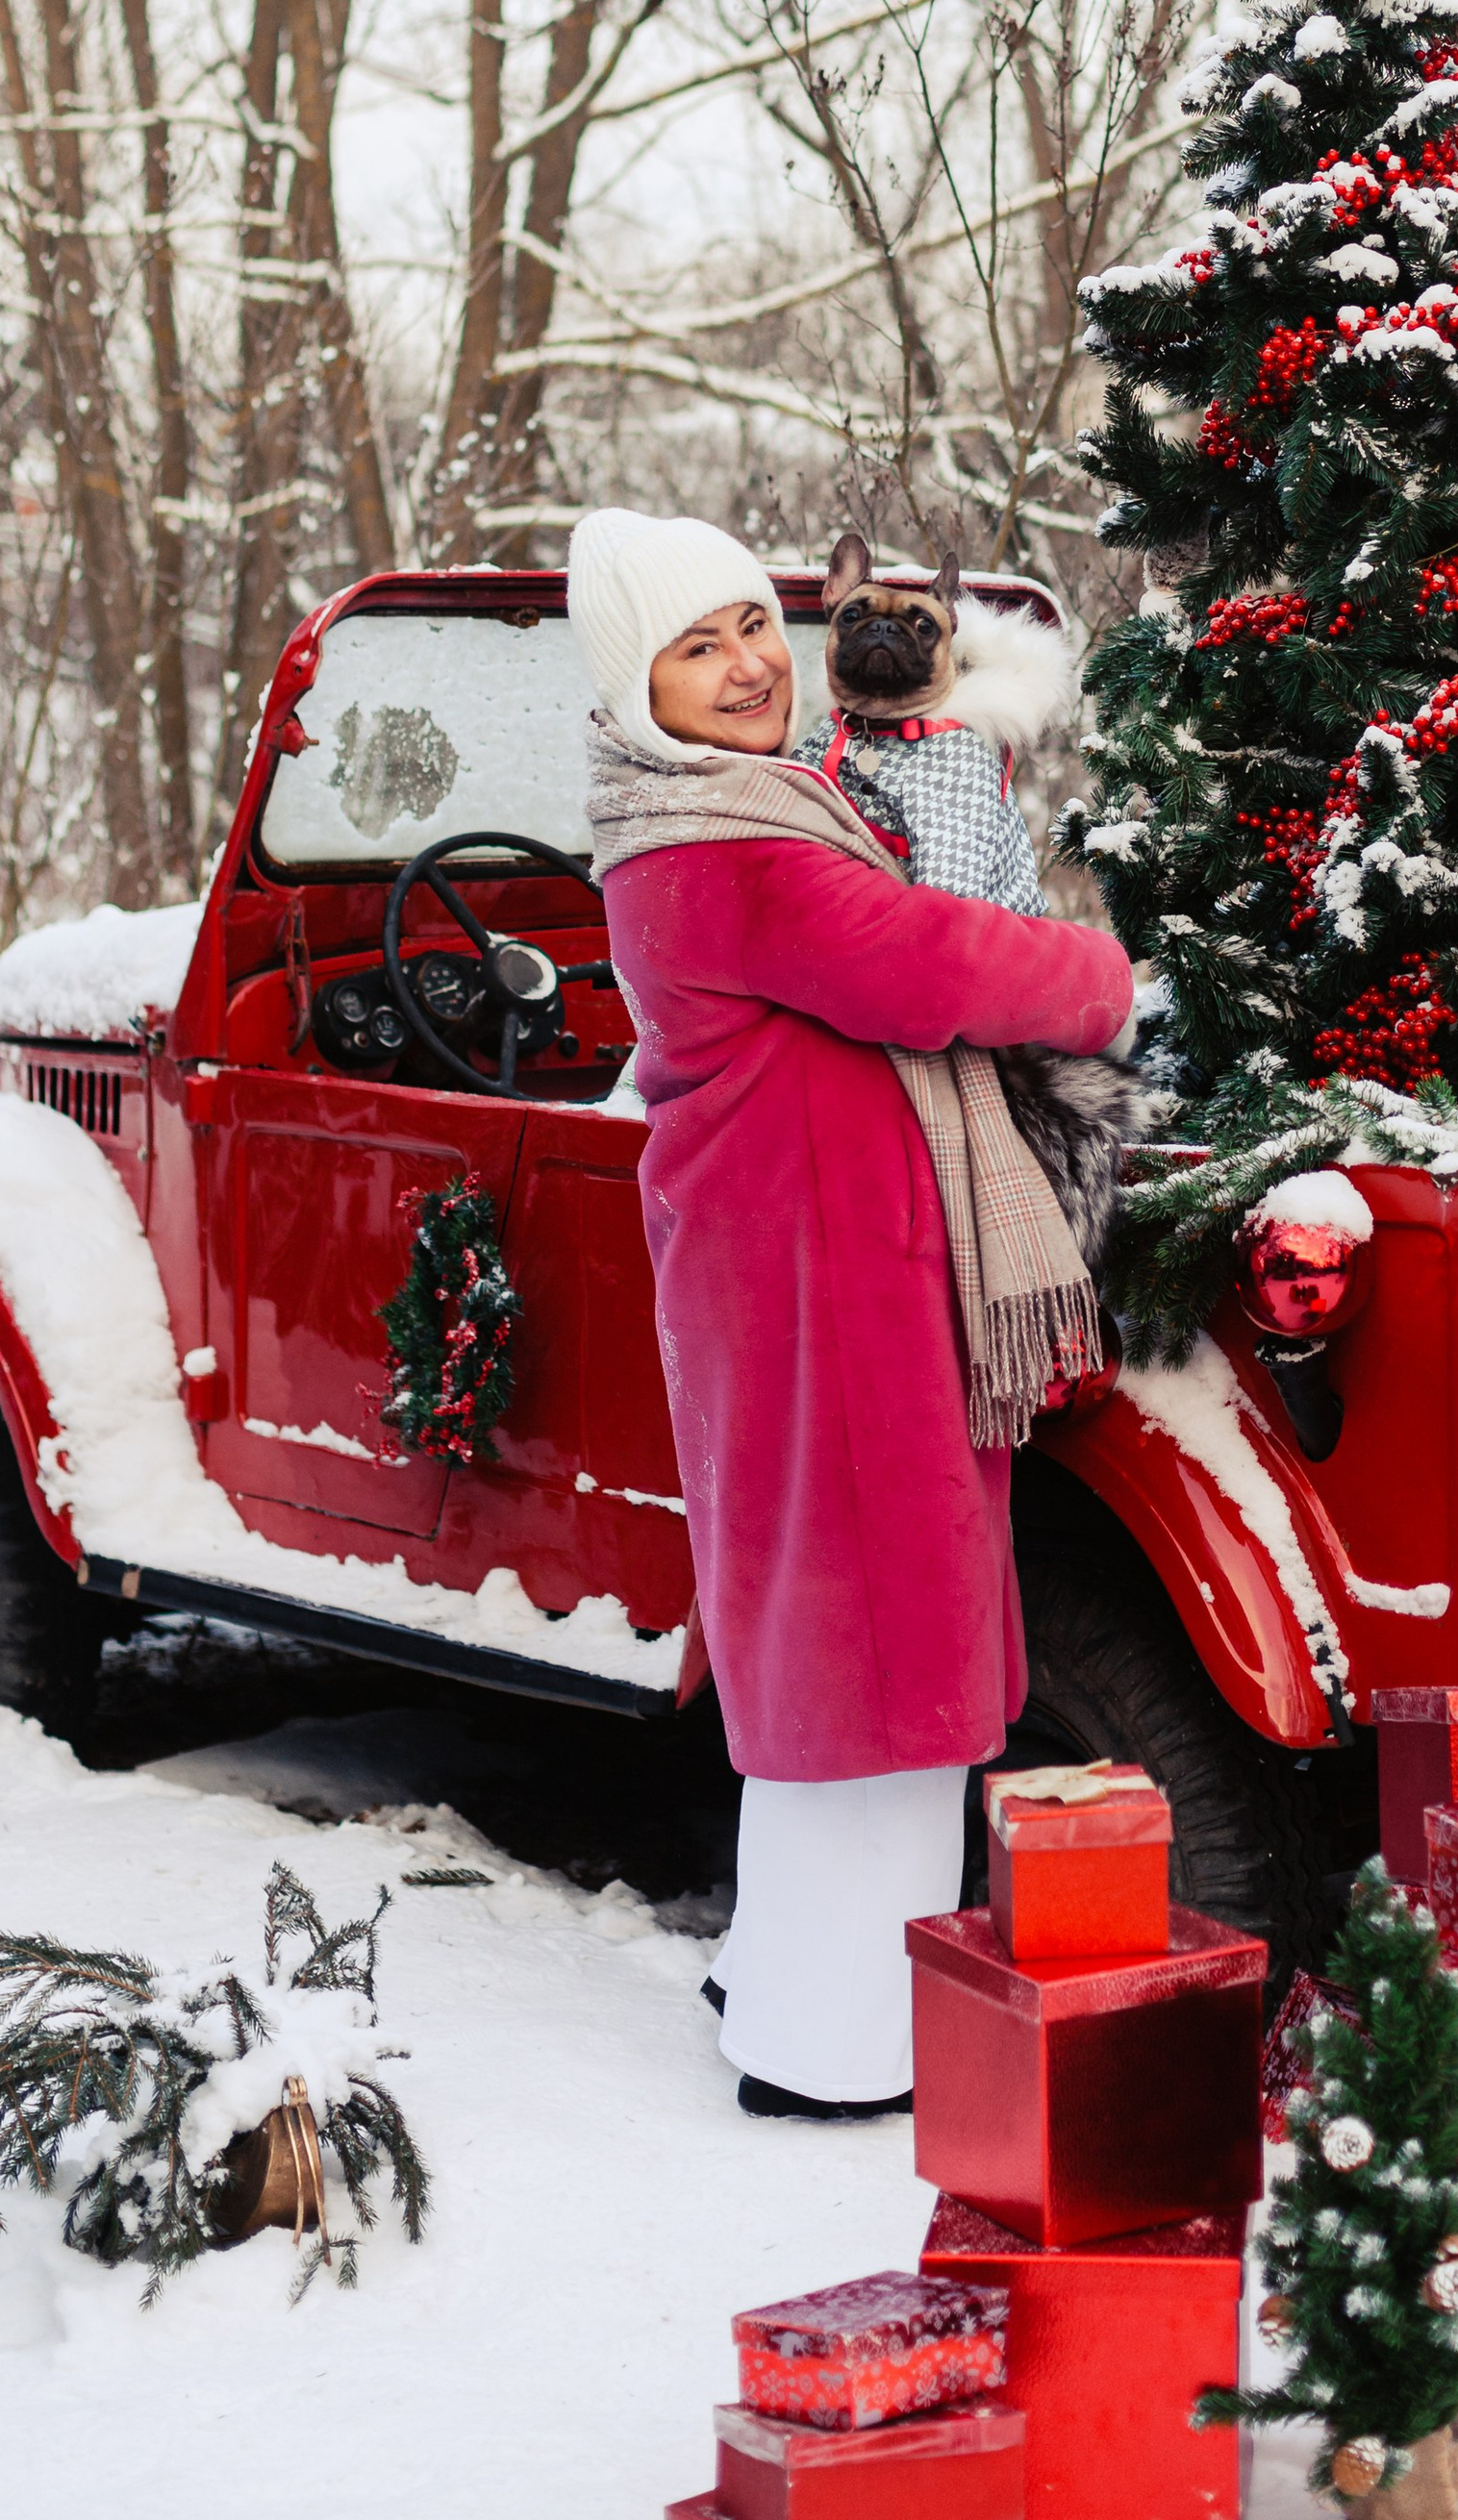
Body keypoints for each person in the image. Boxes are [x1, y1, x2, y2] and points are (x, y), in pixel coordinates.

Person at [566, 509, 1132, 2120]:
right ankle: (835, 2050)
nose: (747, 666)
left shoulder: (744, 802)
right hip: (823, 1287)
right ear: (638, 684)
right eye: (698, 646)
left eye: (753, 625)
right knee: (872, 1657)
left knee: (834, 1640)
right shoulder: (721, 844)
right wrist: (1102, 976)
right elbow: (918, 960)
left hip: (811, 1269)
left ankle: (789, 1980)